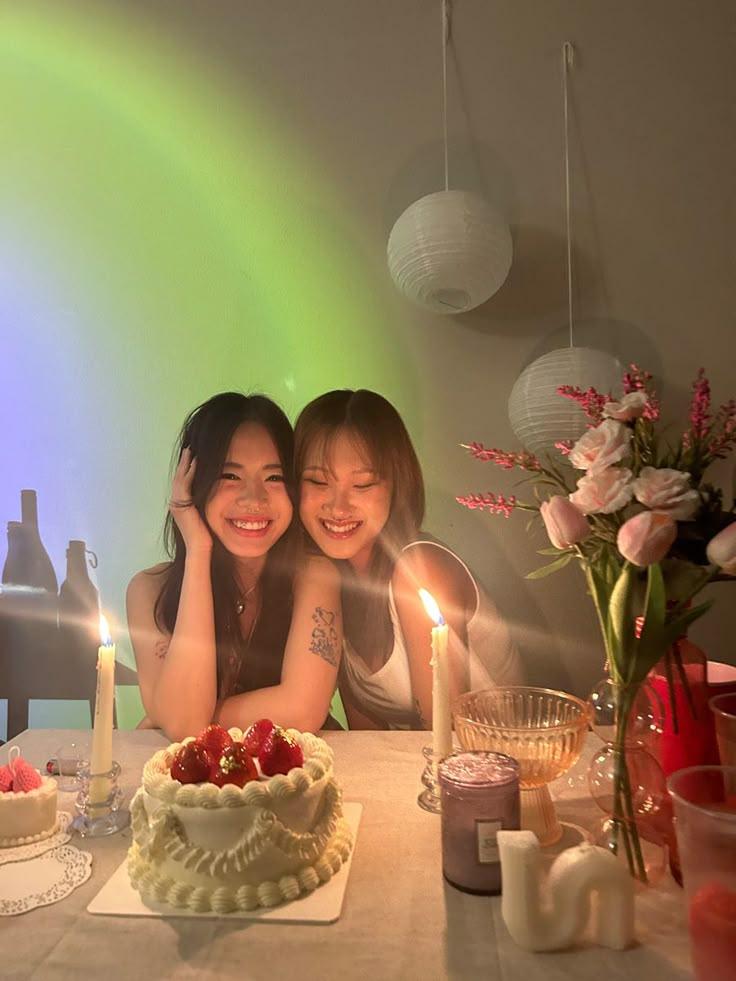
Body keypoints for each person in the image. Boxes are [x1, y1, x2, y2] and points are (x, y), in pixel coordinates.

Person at [294, 389, 524, 731]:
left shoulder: (420, 570)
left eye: (363, 484)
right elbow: (366, 739)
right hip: (410, 771)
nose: (338, 507)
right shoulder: (327, 580)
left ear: (396, 486)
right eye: (317, 481)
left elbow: (446, 739)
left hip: (495, 768)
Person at [127, 392, 342, 741]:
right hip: (197, 790)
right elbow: (183, 726)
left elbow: (303, 709)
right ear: (194, 482)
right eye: (230, 476)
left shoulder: (314, 576)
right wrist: (198, 550)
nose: (254, 499)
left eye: (273, 478)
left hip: (300, 775)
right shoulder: (150, 590)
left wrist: (197, 715)